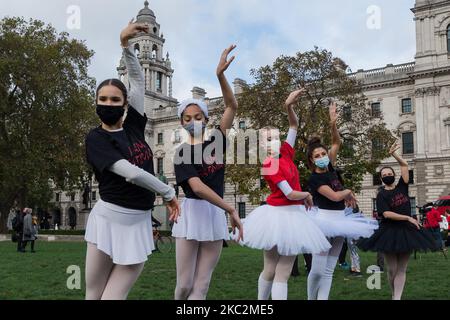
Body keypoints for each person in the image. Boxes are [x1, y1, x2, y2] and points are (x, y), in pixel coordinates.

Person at [84, 20, 180, 300]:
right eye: (103, 99)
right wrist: (168, 192)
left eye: (115, 99)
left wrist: (126, 46)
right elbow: (130, 172)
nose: (109, 104)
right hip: (109, 217)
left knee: (114, 297)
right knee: (94, 294)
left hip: (138, 221)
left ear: (126, 104)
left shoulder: (135, 125)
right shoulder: (96, 138)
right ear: (97, 103)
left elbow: (137, 80)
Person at [235, 89, 331, 300]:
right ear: (262, 145)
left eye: (276, 137)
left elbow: (294, 125)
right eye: (268, 140)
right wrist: (307, 194)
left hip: (288, 214)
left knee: (273, 269)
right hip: (283, 214)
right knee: (279, 271)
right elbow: (289, 193)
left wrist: (288, 106)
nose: (274, 141)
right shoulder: (270, 163)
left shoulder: (286, 153)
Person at [172, 44, 244, 301]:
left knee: (202, 286)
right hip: (192, 214)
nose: (193, 121)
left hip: (214, 214)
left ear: (206, 118)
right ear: (182, 122)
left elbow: (232, 106)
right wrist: (231, 209)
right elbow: (198, 188)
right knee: (184, 285)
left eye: (198, 116)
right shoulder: (181, 152)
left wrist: (220, 75)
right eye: (187, 118)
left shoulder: (216, 140)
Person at [306, 102, 378, 300]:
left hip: (341, 220)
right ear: (312, 160)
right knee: (318, 269)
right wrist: (348, 191)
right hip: (323, 221)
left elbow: (336, 142)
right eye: (317, 155)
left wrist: (333, 124)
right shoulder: (315, 178)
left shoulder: (331, 169)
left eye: (323, 154)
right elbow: (336, 196)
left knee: (329, 270)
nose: (322, 157)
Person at [358, 142, 438, 300]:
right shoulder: (381, 195)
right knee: (392, 269)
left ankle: (397, 298)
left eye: (390, 173)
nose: (388, 175)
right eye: (385, 174)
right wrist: (408, 217)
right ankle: (393, 292)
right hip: (389, 232)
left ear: (393, 175)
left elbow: (405, 165)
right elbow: (386, 213)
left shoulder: (402, 187)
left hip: (408, 232)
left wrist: (394, 154)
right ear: (381, 178)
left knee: (402, 269)